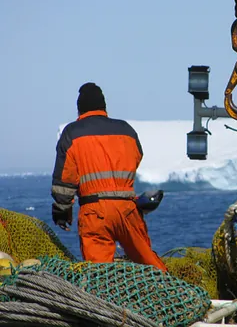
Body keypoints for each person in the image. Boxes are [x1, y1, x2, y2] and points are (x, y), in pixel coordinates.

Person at [51, 82, 167, 272]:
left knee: (100, 275)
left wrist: (62, 211)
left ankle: (102, 302)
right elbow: (137, 155)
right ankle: (169, 293)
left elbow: (65, 179)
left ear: (80, 109)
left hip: (94, 212)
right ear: (103, 106)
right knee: (150, 266)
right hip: (127, 209)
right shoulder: (126, 130)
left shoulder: (72, 133)